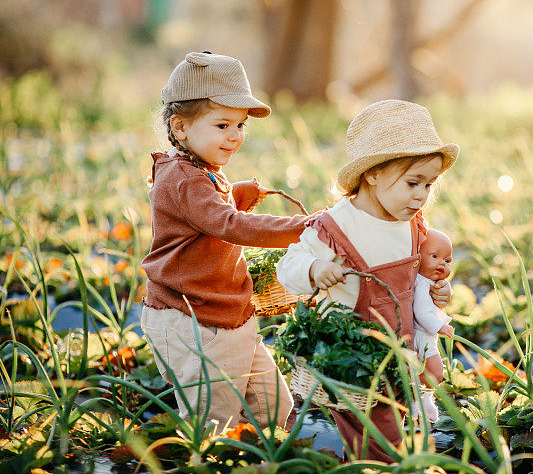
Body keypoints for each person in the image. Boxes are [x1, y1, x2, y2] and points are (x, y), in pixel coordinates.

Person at [277, 99, 458, 462]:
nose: (421, 195)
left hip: (398, 353)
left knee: (390, 426)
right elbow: (288, 266)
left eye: (429, 184)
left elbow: (416, 281)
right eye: (412, 182)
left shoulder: (412, 224)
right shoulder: (337, 226)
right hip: (350, 360)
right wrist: (314, 269)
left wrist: (438, 292)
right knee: (370, 440)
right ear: (373, 173)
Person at [140, 51, 307, 431]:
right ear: (180, 127)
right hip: (195, 321)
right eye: (222, 125)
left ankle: (262, 458)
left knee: (274, 407)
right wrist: (301, 227)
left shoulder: (200, 169)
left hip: (229, 314)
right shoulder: (183, 177)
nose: (235, 136)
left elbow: (205, 215)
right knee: (214, 422)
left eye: (241, 125)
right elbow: (227, 224)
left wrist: (239, 193)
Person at [410, 228, 455, 423]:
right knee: (435, 372)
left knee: (430, 372)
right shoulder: (420, 285)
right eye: (435, 256)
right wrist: (440, 327)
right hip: (422, 333)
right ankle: (416, 396)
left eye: (447, 260)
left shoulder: (429, 282)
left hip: (427, 334)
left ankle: (422, 399)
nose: (441, 264)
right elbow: (420, 312)